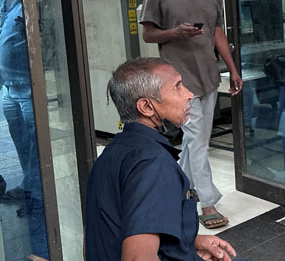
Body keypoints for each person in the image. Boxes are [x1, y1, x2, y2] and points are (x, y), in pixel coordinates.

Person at [85, 58, 237, 261]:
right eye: (177, 87)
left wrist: (188, 241)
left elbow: (98, 239)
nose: (189, 94)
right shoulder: (153, 164)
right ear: (146, 107)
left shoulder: (112, 153)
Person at [140, 0, 243, 229]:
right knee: (197, 141)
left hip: (208, 76)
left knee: (195, 142)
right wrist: (175, 32)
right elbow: (148, 34)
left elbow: (216, 33)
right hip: (178, 81)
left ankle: (175, 190)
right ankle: (206, 201)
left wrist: (232, 70)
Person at [0, 0, 49, 260]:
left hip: (28, 87)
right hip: (8, 86)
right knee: (20, 145)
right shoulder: (4, 1)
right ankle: (30, 186)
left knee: (34, 146)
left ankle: (38, 199)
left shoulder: (32, 0)